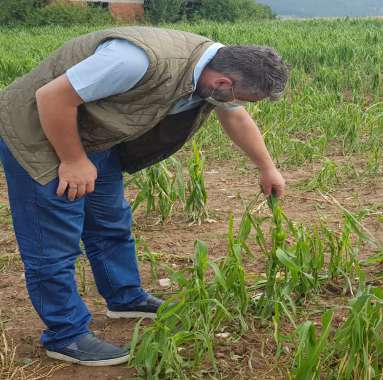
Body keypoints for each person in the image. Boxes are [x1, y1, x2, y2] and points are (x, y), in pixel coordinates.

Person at [0, 26, 289, 366]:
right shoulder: (134, 61)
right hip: (37, 129)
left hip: (93, 134)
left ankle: (124, 298)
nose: (238, 105)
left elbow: (235, 115)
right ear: (222, 83)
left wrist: (267, 167)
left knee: (110, 222)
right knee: (54, 240)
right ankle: (66, 336)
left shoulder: (217, 68)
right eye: (242, 97)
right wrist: (73, 160)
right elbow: (52, 98)